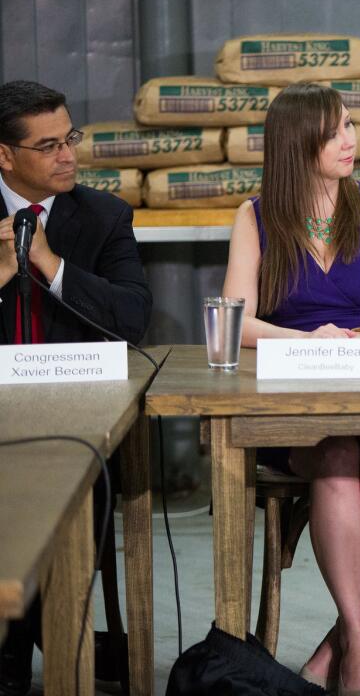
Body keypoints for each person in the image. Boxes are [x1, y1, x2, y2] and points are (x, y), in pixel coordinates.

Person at [222, 83, 360, 696]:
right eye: (335, 130)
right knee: (338, 460)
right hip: (298, 403)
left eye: (350, 126)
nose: (350, 140)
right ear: (297, 143)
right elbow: (236, 319)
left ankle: (339, 645)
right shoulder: (255, 215)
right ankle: (358, 645)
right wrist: (312, 341)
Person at [0, 80, 152, 695]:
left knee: (70, 501)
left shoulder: (104, 216)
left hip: (71, 416)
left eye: (71, 138)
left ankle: (38, 664)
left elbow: (133, 317)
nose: (68, 155)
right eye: (48, 145)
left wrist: (50, 265)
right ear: (5, 156)